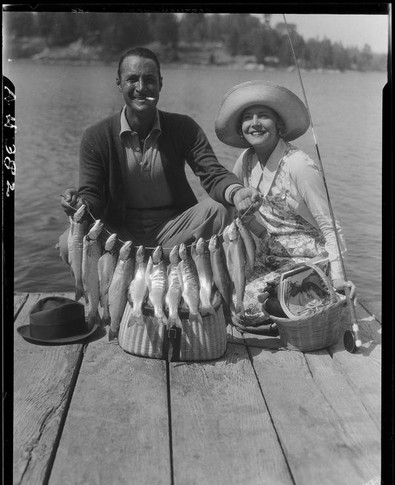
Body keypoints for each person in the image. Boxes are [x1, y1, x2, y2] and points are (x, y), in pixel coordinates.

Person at [59, 47, 261, 259]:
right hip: (117, 236)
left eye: (149, 80)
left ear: (160, 84)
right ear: (119, 84)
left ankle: (185, 273)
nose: (141, 87)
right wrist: (79, 204)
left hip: (173, 233)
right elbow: (92, 195)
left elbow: (212, 173)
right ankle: (103, 287)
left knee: (221, 209)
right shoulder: (97, 136)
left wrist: (237, 193)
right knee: (68, 243)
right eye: (132, 80)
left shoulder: (183, 127)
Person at [215, 80, 356, 323]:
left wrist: (338, 277)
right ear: (241, 128)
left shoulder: (298, 164)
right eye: (248, 117)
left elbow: (330, 226)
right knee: (223, 298)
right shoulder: (245, 161)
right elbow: (241, 214)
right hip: (269, 256)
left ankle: (324, 293)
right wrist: (254, 233)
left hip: (308, 261)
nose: (255, 123)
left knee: (249, 308)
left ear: (279, 126)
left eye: (264, 116)